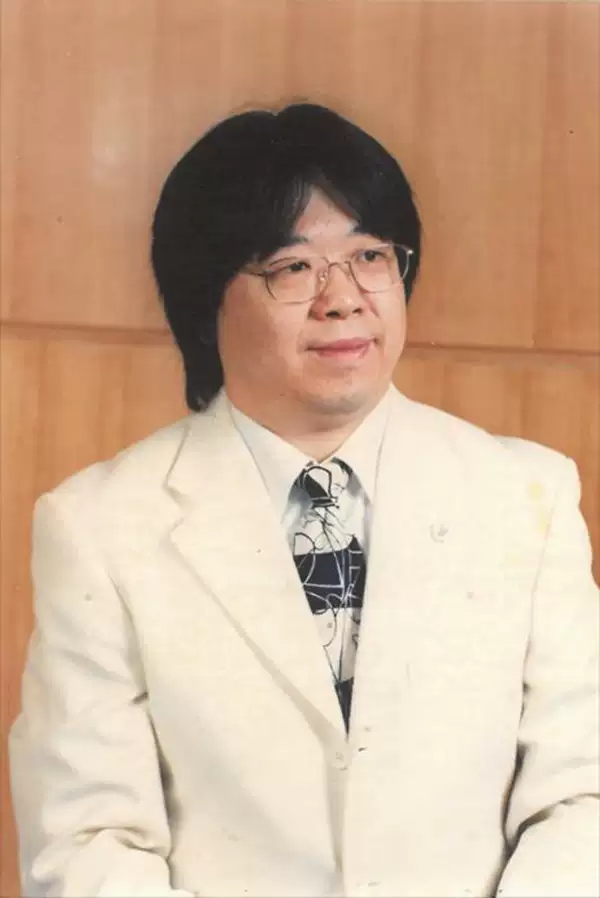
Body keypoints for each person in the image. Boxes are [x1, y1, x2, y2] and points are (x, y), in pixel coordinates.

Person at [9, 103, 599, 898]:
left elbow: (582, 793)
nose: (343, 298)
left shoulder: (525, 496)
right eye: (293, 268)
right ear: (205, 297)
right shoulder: (101, 526)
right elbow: (87, 839)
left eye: (371, 256)